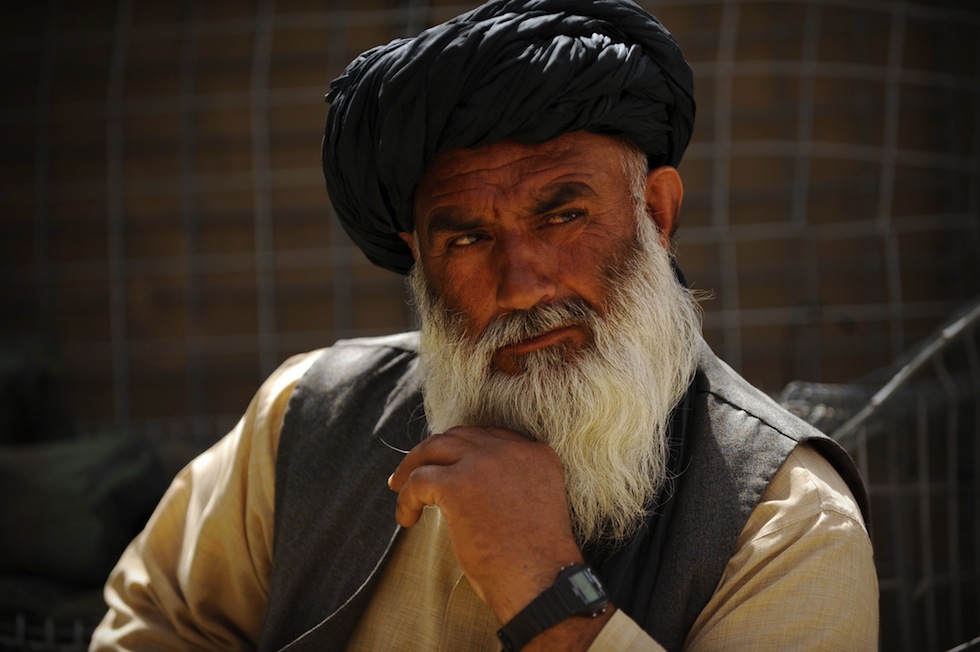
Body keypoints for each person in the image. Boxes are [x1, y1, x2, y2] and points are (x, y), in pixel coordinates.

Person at [90, 1, 878, 650]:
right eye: (465, 238)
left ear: (658, 215)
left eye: (564, 214)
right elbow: (151, 626)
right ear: (419, 261)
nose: (522, 285)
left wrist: (542, 581)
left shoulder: (788, 521)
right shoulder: (307, 416)